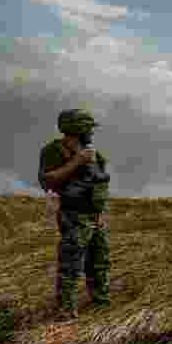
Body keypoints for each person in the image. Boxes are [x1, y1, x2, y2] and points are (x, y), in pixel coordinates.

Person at [38, 109, 112, 321]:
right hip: (74, 215)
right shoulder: (53, 151)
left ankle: (101, 303)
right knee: (71, 265)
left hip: (95, 216)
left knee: (100, 261)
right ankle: (66, 311)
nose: (91, 133)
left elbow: (100, 184)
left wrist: (100, 212)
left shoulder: (93, 153)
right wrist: (77, 161)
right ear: (77, 128)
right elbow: (47, 181)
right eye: (88, 128)